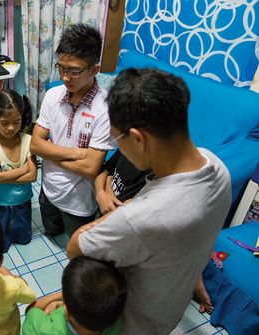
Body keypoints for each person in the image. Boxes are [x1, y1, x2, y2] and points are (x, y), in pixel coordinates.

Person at [67, 68, 232, 334]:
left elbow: (75, 247)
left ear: (137, 138)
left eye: (116, 139)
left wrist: (122, 212)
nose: (116, 146)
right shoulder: (217, 167)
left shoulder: (140, 219)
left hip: (129, 324)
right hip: (168, 312)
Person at [31, 23, 114, 237]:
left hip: (78, 201)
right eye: (61, 68)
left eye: (74, 71)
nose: (65, 77)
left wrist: (49, 152)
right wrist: (77, 153)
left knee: (76, 246)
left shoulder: (104, 108)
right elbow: (35, 145)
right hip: (47, 188)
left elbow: (90, 169)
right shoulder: (53, 95)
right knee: (52, 231)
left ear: (94, 69)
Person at [0, 89, 37, 252]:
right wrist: (22, 169)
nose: (11, 128)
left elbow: (32, 176)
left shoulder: (28, 141)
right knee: (0, 243)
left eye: (16, 122)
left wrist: (4, 175)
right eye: (4, 123)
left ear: (23, 118)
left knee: (24, 238)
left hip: (22, 199)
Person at [23, 256, 127, 335]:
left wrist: (61, 296)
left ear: (66, 312)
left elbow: (30, 309)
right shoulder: (114, 320)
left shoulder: (43, 329)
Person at [94, 150, 150, 216]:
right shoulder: (125, 150)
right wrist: (100, 192)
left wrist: (107, 181)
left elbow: (119, 207)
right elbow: (104, 172)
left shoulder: (149, 175)